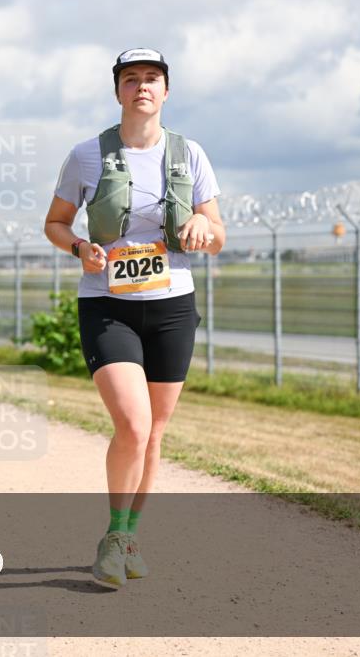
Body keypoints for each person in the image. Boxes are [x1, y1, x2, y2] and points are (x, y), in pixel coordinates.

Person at [43, 48, 226, 590]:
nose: (141, 87)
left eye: (152, 79)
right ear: (118, 91)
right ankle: (112, 539)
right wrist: (79, 247)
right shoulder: (86, 155)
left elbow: (218, 235)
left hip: (172, 306)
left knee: (155, 434)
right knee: (133, 424)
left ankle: (126, 536)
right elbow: (54, 223)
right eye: (131, 79)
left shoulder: (189, 154)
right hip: (108, 305)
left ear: (166, 91)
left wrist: (199, 223)